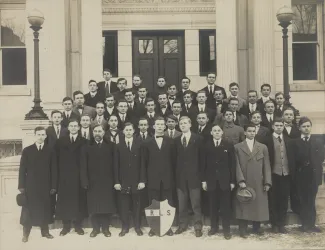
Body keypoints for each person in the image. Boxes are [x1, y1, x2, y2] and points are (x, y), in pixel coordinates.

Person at [18, 126, 57, 242]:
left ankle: (45, 232)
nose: (40, 137)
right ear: (35, 136)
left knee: (45, 209)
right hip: (31, 186)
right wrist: (21, 186)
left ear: (45, 136)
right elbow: (22, 169)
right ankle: (26, 234)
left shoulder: (51, 150)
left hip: (46, 186)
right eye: (38, 134)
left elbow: (54, 169)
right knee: (28, 210)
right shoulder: (27, 150)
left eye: (42, 134)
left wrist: (54, 186)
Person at [234, 124, 272, 238]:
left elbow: (267, 166)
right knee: (243, 203)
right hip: (244, 180)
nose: (251, 133)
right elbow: (236, 165)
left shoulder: (263, 147)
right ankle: (243, 228)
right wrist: (240, 180)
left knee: (258, 204)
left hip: (258, 181)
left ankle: (257, 227)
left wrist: (267, 182)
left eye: (253, 131)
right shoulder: (237, 147)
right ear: (245, 132)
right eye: (249, 131)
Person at [141, 117, 176, 237]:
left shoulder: (171, 142)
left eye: (162, 124)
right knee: (153, 203)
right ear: (154, 127)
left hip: (167, 178)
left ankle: (168, 227)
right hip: (153, 179)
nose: (160, 126)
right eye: (158, 124)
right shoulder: (147, 143)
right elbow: (144, 163)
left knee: (168, 203)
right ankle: (153, 227)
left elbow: (173, 161)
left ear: (165, 126)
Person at [80, 125, 116, 237]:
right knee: (93, 206)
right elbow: (83, 166)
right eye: (95, 131)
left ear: (104, 132)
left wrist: (115, 181)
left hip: (107, 181)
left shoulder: (111, 146)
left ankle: (105, 228)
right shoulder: (86, 147)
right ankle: (95, 229)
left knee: (106, 205)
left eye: (99, 131)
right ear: (92, 132)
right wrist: (84, 181)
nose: (97, 133)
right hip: (92, 182)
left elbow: (115, 165)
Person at [201, 124, 235, 240]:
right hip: (211, 181)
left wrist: (232, 181)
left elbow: (232, 165)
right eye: (214, 130)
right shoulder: (206, 146)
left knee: (225, 206)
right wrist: (204, 180)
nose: (216, 132)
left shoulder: (228, 146)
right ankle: (213, 227)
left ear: (222, 132)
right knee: (213, 205)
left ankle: (226, 230)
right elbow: (203, 165)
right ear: (211, 132)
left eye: (218, 130)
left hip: (225, 181)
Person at [55, 119, 88, 236]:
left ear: (79, 128)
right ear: (68, 128)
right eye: (71, 126)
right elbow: (56, 160)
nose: (73, 128)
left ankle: (78, 226)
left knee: (79, 201)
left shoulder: (84, 141)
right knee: (65, 201)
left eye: (75, 126)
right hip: (64, 176)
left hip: (79, 177)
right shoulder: (60, 141)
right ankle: (66, 226)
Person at [292, 117, 324, 233]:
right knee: (303, 200)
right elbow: (294, 160)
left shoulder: (317, 142)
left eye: (308, 126)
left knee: (311, 200)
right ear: (299, 128)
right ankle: (304, 224)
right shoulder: (295, 142)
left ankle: (311, 224)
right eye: (304, 126)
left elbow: (320, 157)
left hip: (313, 176)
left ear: (311, 127)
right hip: (301, 176)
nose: (306, 128)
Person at [114, 123, 146, 237]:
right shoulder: (118, 146)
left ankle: (137, 227)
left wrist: (142, 180)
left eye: (130, 130)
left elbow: (143, 164)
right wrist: (117, 181)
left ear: (133, 131)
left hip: (136, 181)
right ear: (123, 132)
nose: (128, 132)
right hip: (123, 181)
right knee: (124, 206)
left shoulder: (139, 145)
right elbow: (115, 165)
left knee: (137, 206)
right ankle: (125, 227)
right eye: (126, 130)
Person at [174, 116, 203, 237]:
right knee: (182, 203)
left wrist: (201, 176)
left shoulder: (198, 139)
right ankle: (182, 225)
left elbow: (202, 160)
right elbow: (174, 160)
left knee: (196, 203)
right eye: (181, 123)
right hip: (181, 177)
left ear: (190, 124)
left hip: (194, 177)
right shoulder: (176, 140)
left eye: (185, 123)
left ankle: (198, 226)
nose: (183, 125)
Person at [265, 118, 294, 234]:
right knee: (273, 200)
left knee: (283, 199)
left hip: (286, 174)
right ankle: (274, 224)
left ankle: (281, 224)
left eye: (281, 125)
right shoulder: (267, 140)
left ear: (283, 126)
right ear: (273, 126)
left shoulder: (289, 140)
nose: (279, 127)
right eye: (276, 125)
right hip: (273, 174)